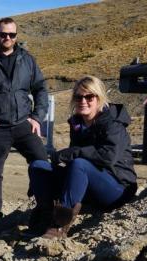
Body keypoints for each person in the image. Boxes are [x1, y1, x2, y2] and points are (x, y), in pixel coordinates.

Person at [28, 75, 137, 238]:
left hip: (116, 187)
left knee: (79, 164)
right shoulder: (77, 124)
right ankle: (45, 215)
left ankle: (59, 225)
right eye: (79, 96)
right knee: (38, 166)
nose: (83, 101)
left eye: (89, 96)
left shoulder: (113, 123)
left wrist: (71, 153)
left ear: (99, 98)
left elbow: (108, 157)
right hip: (89, 185)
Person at [0, 17, 49, 227]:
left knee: (42, 162)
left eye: (12, 35)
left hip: (24, 123)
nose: (7, 38)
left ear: (16, 36)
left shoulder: (27, 59)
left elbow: (40, 88)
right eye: (3, 34)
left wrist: (36, 117)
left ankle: (46, 207)